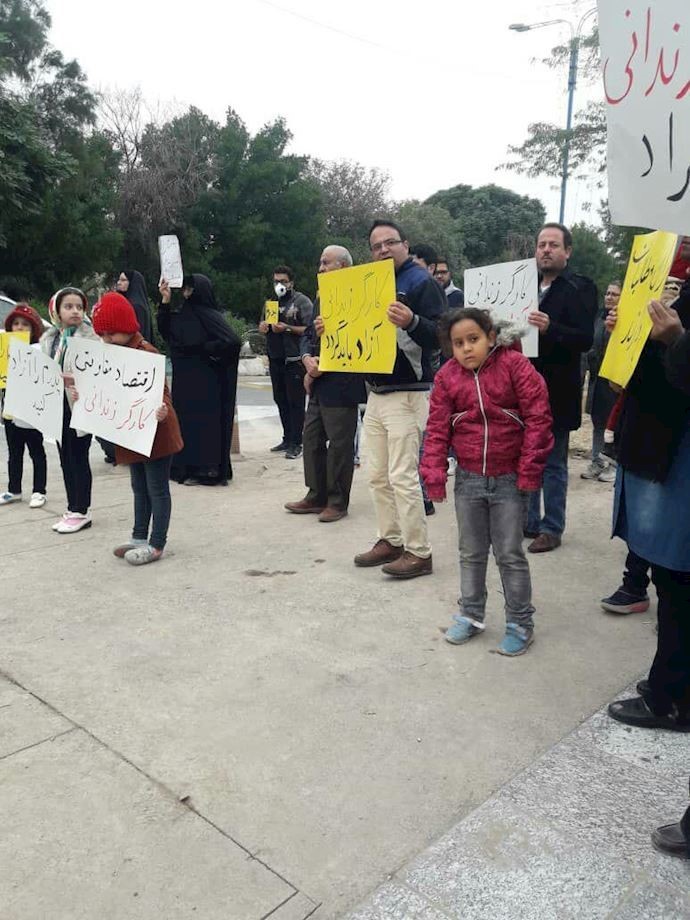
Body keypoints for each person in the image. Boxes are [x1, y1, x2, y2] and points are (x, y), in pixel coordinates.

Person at [421, 308, 553, 655]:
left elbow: (539, 419)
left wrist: (529, 471)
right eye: (458, 343)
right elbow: (436, 428)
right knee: (471, 552)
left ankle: (520, 623)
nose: (467, 348)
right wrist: (433, 474)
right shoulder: (447, 377)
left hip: (510, 479)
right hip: (468, 480)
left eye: (473, 339)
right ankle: (471, 614)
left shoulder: (515, 366)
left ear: (491, 337)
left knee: (509, 554)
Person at [607, 290, 690, 733]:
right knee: (670, 577)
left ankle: (672, 699)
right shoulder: (673, 288)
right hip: (659, 444)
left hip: (678, 454)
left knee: (678, 579)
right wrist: (623, 338)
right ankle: (669, 683)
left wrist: (677, 340)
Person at [354, 219, 446, 578]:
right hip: (377, 392)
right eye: (376, 246)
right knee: (376, 474)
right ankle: (390, 540)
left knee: (403, 476)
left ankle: (419, 551)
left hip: (408, 392)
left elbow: (443, 336)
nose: (383, 250)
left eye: (389, 242)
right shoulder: (368, 284)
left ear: (405, 245)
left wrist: (411, 321)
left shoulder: (420, 282)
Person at [90, 292, 183, 565]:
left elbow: (163, 392)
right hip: (132, 434)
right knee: (139, 487)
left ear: (126, 327)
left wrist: (162, 409)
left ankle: (157, 543)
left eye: (111, 333)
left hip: (157, 434)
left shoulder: (146, 352)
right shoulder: (112, 355)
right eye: (102, 335)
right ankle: (138, 537)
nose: (107, 339)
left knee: (157, 489)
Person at [525, 222, 596, 553]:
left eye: (553, 245)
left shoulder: (580, 287)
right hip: (522, 389)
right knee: (526, 457)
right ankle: (528, 521)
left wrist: (551, 328)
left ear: (567, 251)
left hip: (557, 391)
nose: (546, 250)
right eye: (541, 245)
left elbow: (585, 339)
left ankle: (551, 527)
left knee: (553, 462)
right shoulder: (522, 286)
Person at [284, 245, 366, 522]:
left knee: (340, 446)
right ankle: (315, 495)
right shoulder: (323, 296)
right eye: (320, 263)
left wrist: (334, 332)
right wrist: (307, 359)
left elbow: (363, 339)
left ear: (343, 266)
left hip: (343, 383)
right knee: (311, 439)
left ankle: (337, 501)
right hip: (318, 381)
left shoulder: (360, 295)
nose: (320, 268)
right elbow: (309, 334)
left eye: (325, 263)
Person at [158, 274, 240, 486]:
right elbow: (166, 331)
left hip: (206, 382)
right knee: (186, 423)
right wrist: (165, 301)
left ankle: (207, 471)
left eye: (190, 289)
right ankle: (187, 468)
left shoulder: (209, 315)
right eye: (185, 289)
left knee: (205, 426)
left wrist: (205, 350)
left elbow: (232, 341)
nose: (186, 293)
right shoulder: (183, 315)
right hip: (185, 380)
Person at [40, 287, 99, 533]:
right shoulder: (50, 339)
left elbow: (98, 374)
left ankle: (81, 509)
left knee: (78, 457)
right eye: (68, 307)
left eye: (79, 307)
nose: (75, 311)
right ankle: (72, 506)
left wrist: (79, 385)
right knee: (66, 458)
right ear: (56, 311)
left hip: (79, 407)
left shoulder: (90, 338)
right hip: (58, 407)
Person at [258, 266, 313, 459]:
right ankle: (287, 438)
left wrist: (288, 328)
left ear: (291, 283)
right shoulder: (271, 303)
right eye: (276, 281)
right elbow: (263, 325)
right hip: (275, 358)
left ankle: (297, 442)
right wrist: (263, 327)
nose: (279, 285)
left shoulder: (301, 302)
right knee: (280, 399)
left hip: (295, 359)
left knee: (295, 401)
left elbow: (310, 329)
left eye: (283, 281)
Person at [1, 303, 48, 508]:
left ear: (33, 329)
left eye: (25, 324)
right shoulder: (4, 350)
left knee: (36, 452)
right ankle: (14, 490)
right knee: (14, 453)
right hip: (11, 412)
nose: (19, 328)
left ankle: (39, 490)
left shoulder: (38, 350)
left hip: (31, 412)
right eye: (16, 324)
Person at [581, 281, 621, 482]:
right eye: (607, 293)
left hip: (615, 380)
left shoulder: (624, 319)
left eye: (614, 294)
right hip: (597, 380)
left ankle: (614, 465)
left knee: (613, 424)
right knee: (597, 422)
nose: (609, 297)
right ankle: (596, 462)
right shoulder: (598, 318)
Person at [115, 270, 154, 343]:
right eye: (119, 280)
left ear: (133, 283)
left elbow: (138, 334)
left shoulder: (136, 306)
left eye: (123, 280)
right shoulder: (125, 303)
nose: (119, 283)